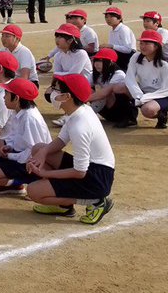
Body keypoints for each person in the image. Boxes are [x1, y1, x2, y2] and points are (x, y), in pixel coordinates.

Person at [23, 74, 116, 225]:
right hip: (93, 169)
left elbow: (80, 172)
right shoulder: (78, 110)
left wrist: (45, 173)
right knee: (39, 149)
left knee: (33, 191)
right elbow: (61, 141)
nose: (52, 92)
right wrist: (42, 154)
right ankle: (63, 205)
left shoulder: (81, 126)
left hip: (97, 177)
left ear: (67, 96)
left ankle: (95, 201)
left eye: (56, 89)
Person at [0, 78, 52, 196]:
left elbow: (33, 152)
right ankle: (6, 174)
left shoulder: (30, 118)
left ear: (16, 98)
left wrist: (11, 155)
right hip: (20, 154)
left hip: (30, 162)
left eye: (7, 94)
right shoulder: (18, 111)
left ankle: (26, 182)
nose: (4, 97)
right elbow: (14, 135)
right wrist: (9, 145)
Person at [122, 30, 168, 129]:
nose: (142, 46)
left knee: (147, 110)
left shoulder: (165, 65)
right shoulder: (136, 57)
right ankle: (130, 118)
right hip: (142, 92)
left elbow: (165, 90)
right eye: (141, 43)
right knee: (120, 87)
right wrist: (139, 96)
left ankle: (163, 115)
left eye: (147, 43)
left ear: (156, 46)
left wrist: (144, 98)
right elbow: (129, 78)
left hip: (161, 96)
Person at [88, 49, 134, 124]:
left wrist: (81, 100)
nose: (96, 64)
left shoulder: (119, 74)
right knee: (88, 90)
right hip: (105, 110)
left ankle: (86, 114)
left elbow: (105, 93)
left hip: (120, 111)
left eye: (101, 61)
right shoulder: (95, 74)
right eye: (95, 60)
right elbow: (85, 86)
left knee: (106, 92)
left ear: (111, 62)